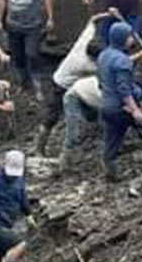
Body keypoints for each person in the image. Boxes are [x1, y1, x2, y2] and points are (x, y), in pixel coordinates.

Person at [40, 11, 114, 162]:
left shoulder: (84, 41)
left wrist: (108, 14)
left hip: (75, 85)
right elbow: (110, 68)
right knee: (51, 119)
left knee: (91, 111)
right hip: (60, 85)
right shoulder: (85, 64)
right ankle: (40, 147)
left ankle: (92, 135)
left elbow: (93, 19)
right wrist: (137, 54)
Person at [0, 0, 54, 105]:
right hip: (13, 23)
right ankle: (23, 83)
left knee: (32, 54)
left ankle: (38, 85)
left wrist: (50, 18)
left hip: (33, 24)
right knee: (17, 56)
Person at [97, 21, 142, 182]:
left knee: (112, 140)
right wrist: (135, 110)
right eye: (130, 37)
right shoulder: (121, 61)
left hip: (106, 107)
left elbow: (100, 81)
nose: (132, 39)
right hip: (120, 109)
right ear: (122, 39)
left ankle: (110, 173)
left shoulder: (104, 55)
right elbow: (124, 90)